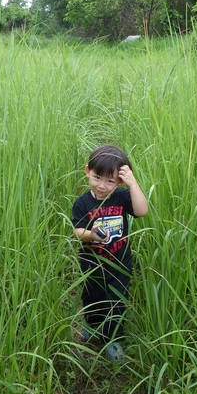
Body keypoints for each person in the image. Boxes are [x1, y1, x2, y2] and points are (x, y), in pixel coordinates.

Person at [71, 144, 148, 361]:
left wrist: (133, 183)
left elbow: (142, 211)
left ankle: (112, 338)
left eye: (110, 181)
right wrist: (92, 235)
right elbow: (78, 230)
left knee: (117, 300)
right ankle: (92, 324)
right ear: (88, 171)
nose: (102, 186)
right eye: (97, 178)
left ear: (120, 181)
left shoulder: (122, 198)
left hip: (120, 262)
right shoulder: (82, 203)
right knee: (92, 296)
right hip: (92, 263)